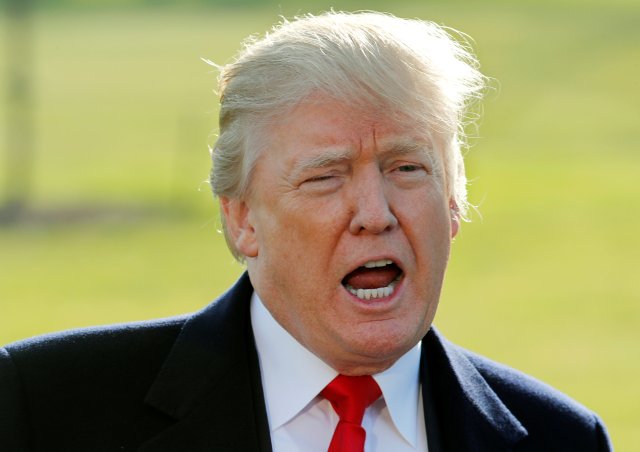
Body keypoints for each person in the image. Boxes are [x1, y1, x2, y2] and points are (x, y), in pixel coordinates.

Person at [0, 11, 612, 452]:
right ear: (242, 218)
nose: (375, 212)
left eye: (406, 168)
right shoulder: (42, 407)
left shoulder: (562, 437)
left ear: (453, 203)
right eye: (325, 177)